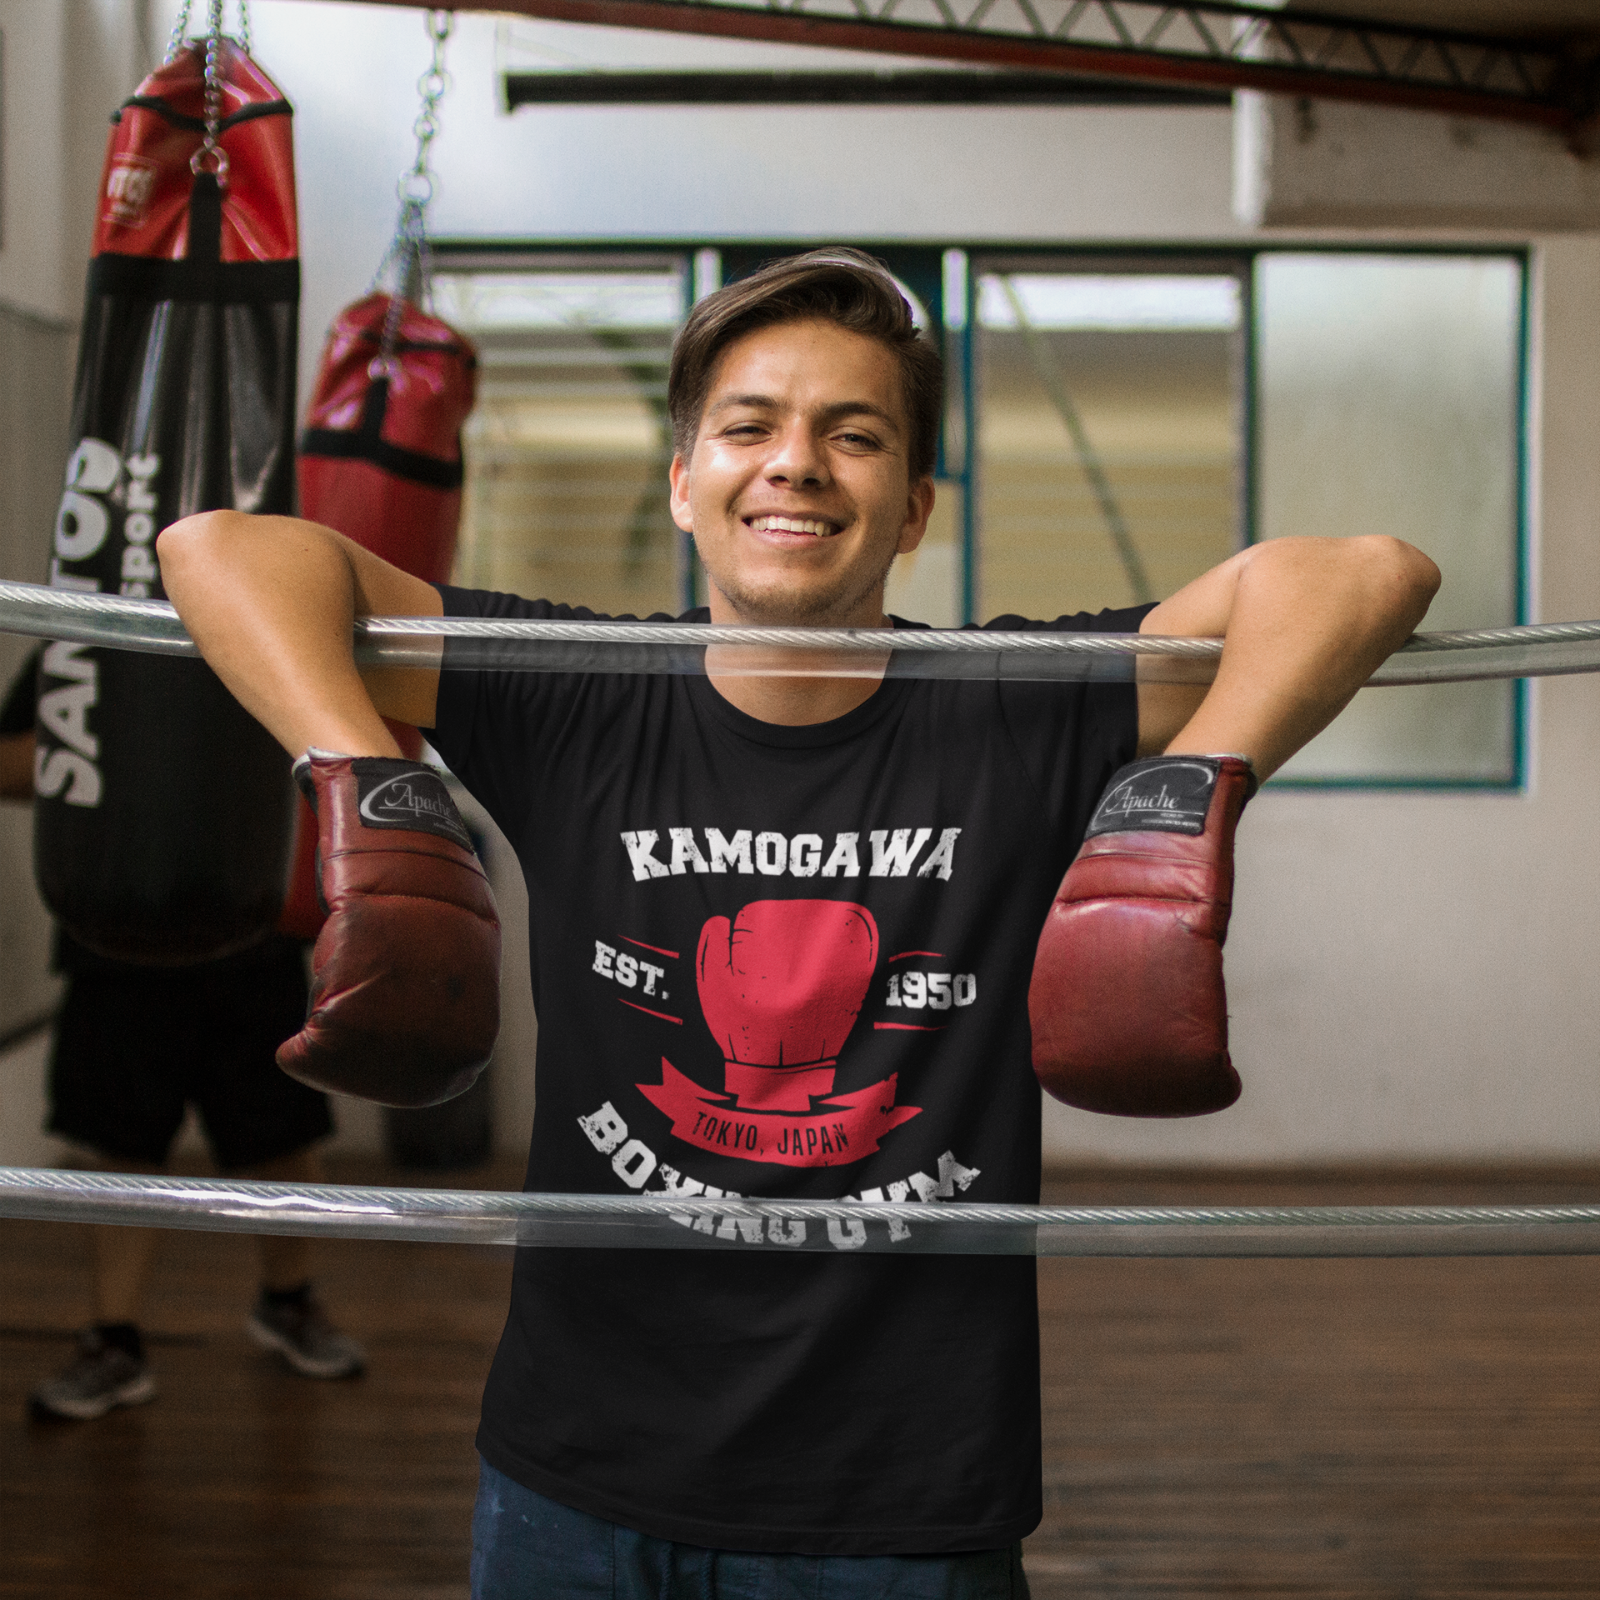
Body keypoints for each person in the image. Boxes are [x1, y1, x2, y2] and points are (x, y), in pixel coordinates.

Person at [156, 250, 1440, 1597]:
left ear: (914, 507)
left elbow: (1363, 571)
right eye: (750, 425)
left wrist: (1179, 795)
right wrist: (369, 777)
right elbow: (224, 550)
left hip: (903, 1491)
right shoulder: (581, 695)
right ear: (683, 482)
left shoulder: (1009, 707)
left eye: (855, 435)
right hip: (578, 1465)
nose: (798, 464)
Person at [0, 652, 366, 1421]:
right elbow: (8, 763)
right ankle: (113, 1341)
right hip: (116, 928)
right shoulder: (82, 639)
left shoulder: (251, 630)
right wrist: (118, 741)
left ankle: (287, 1302)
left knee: (280, 1132)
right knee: (120, 1143)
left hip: (248, 925)